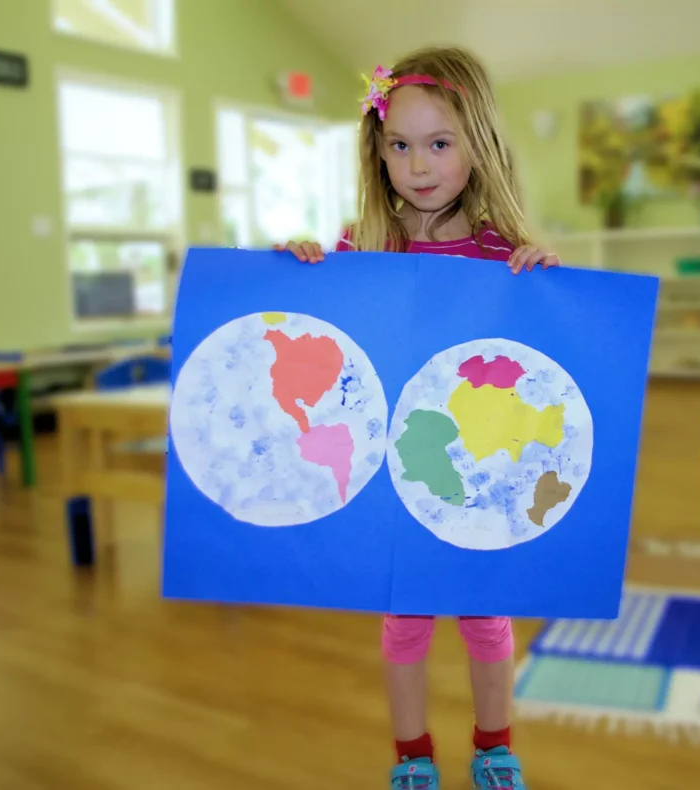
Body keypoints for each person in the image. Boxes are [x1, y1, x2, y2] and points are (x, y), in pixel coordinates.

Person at [275, 46, 560, 790]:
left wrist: (547, 285)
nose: (418, 165)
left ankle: (495, 745)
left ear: (479, 144)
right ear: (378, 150)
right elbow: (314, 335)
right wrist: (301, 266)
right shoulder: (362, 248)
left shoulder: (504, 253)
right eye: (399, 145)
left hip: (479, 471)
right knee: (404, 623)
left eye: (439, 143)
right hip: (395, 473)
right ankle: (412, 757)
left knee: (484, 618)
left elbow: (545, 359)